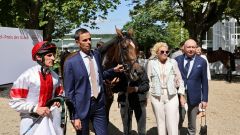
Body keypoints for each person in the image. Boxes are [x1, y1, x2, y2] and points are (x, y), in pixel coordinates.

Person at [63, 28, 124, 135]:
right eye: (85, 40)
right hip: (82, 107)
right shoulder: (71, 63)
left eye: (89, 39)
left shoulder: (96, 55)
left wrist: (113, 70)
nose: (89, 42)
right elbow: (69, 92)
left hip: (99, 104)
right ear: (77, 42)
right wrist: (74, 116)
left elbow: (99, 76)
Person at [9, 41, 64, 135]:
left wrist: (57, 100)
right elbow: (14, 102)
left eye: (53, 55)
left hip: (50, 120)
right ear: (38, 57)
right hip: (30, 121)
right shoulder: (27, 76)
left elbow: (60, 94)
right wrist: (35, 109)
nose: (53, 58)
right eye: (49, 55)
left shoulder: (55, 76)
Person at [147, 42, 186, 135]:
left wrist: (181, 95)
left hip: (172, 96)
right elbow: (148, 80)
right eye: (162, 51)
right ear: (156, 53)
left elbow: (180, 80)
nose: (165, 53)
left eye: (167, 51)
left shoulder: (173, 62)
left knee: (172, 122)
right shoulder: (151, 64)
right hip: (156, 97)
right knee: (160, 122)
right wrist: (148, 97)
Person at [175, 39, 208, 135]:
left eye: (193, 47)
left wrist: (205, 99)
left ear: (196, 48)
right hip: (179, 95)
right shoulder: (177, 60)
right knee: (179, 118)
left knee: (192, 123)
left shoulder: (202, 61)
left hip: (195, 95)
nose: (191, 49)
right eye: (188, 47)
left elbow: (204, 81)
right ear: (184, 48)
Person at [117, 65, 149, 135]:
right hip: (124, 101)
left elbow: (146, 86)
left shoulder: (140, 68)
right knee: (126, 130)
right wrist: (114, 84)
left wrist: (135, 89)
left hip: (139, 101)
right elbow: (115, 89)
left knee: (142, 131)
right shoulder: (119, 69)